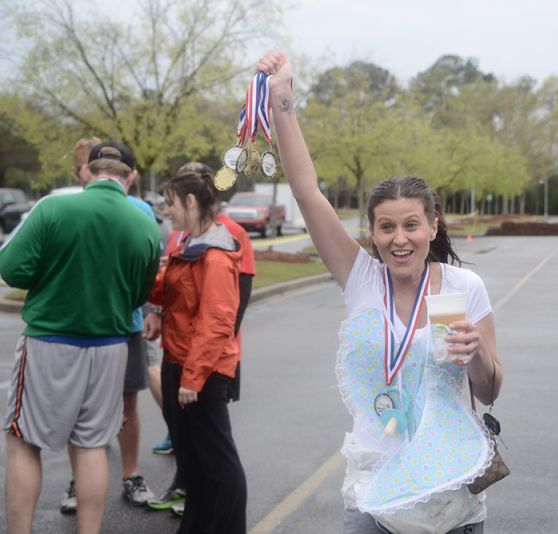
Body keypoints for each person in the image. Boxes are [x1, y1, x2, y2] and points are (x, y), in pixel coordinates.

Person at [259, 50, 503, 534]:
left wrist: (474, 354)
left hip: (447, 484)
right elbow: (307, 191)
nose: (399, 238)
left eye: (412, 224)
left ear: (433, 226)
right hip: (375, 486)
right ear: (372, 232)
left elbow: (491, 389)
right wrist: (282, 99)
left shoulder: (463, 287)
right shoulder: (361, 278)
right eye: (386, 227)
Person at [0, 141, 161, 534]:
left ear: (87, 172)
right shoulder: (144, 223)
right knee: (91, 446)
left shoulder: (54, 208)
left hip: (50, 341)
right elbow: (140, 294)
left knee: (23, 441)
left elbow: (11, 268)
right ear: (131, 176)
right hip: (110, 346)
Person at [145, 161, 255, 516]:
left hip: (203, 371)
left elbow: (217, 321)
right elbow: (173, 296)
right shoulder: (190, 243)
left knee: (217, 463)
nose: (167, 211)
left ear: (190, 202)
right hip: (180, 361)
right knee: (192, 461)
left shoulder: (216, 253)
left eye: (171, 203)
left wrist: (193, 377)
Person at [59, 140, 156, 514]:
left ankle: (131, 475)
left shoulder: (140, 210)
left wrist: (149, 308)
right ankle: (76, 480)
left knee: (128, 403)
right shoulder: (67, 209)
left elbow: (148, 267)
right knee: (77, 407)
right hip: (79, 326)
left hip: (126, 324)